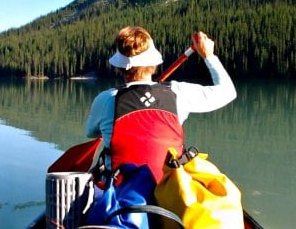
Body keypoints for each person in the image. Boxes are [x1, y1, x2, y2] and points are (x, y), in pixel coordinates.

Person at [85, 26, 237, 182]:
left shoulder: (105, 99)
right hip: (168, 190)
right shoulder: (178, 92)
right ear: (154, 63)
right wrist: (208, 55)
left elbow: (91, 132)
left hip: (118, 190)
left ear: (120, 67)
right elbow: (228, 92)